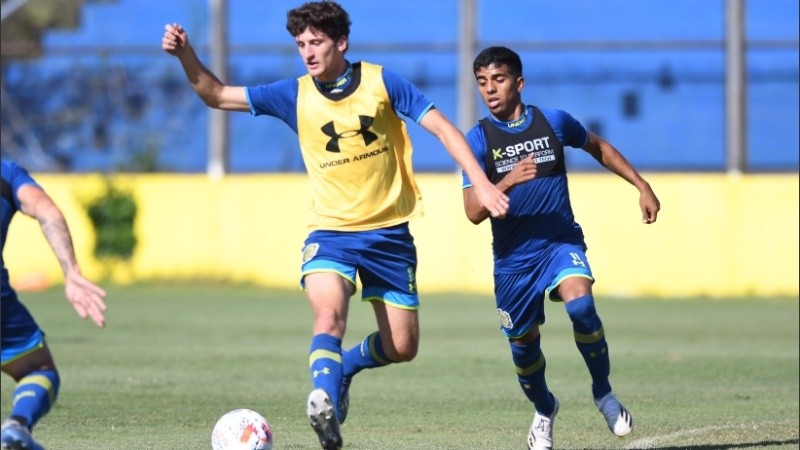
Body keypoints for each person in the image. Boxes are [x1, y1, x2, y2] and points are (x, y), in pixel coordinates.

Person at [161, 2, 509, 449]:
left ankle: (343, 368)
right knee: (329, 313)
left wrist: (480, 183)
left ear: (340, 42)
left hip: (389, 234)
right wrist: (185, 55)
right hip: (330, 234)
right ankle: (323, 398)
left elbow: (442, 128)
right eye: (301, 44)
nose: (307, 52)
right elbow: (215, 93)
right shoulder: (293, 94)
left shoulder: (383, 82)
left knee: (402, 347)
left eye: (316, 42)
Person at [461, 46, 661, 450]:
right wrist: (507, 181)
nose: (490, 90)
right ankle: (544, 408)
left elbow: (599, 147)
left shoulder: (554, 122)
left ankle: (603, 393)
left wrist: (641, 185)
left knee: (582, 307)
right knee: (524, 346)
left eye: (498, 80)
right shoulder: (478, 139)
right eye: (482, 82)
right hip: (513, 263)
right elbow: (472, 211)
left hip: (560, 242)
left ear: (519, 82)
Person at [1, 160, 108, 450]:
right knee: (38, 370)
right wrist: (71, 271)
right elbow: (48, 211)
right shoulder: (7, 173)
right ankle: (17, 424)